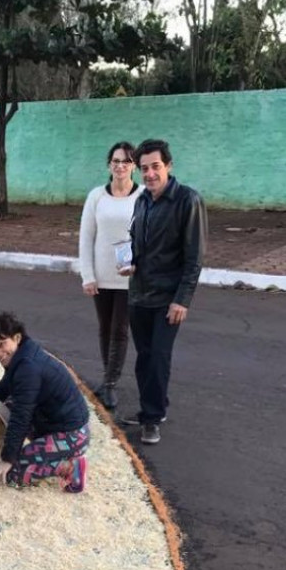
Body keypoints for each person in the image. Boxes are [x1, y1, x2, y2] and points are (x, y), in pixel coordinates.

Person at [122, 139, 207, 445]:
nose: (150, 174)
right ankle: (152, 408)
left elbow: (194, 258)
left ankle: (152, 418)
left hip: (168, 299)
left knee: (158, 356)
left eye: (155, 167)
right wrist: (129, 262)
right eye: (144, 168)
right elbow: (137, 241)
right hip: (139, 295)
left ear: (168, 166)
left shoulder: (188, 201)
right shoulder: (142, 200)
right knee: (144, 358)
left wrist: (182, 300)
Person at [0, 313, 90, 492]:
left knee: (12, 476)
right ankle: (54, 453)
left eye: (1, 344)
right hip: (57, 424)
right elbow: (4, 389)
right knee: (10, 404)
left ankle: (70, 467)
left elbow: (21, 416)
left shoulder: (28, 367)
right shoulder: (22, 356)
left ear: (17, 338)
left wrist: (8, 459)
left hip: (72, 435)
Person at [79, 140, 139, 411]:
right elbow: (86, 237)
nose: (120, 166)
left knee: (120, 330)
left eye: (126, 161)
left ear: (134, 166)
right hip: (101, 275)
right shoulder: (97, 196)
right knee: (105, 328)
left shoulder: (142, 197)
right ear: (109, 165)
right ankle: (107, 378)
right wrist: (87, 275)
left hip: (129, 274)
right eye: (116, 161)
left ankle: (111, 384)